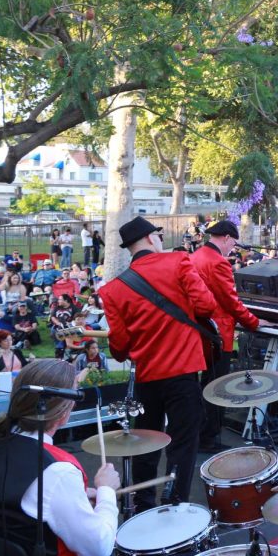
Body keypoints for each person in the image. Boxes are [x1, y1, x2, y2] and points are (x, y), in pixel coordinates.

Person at [0, 361, 191, 556]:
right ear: (64, 410)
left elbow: (14, 509)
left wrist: (76, 496)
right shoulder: (55, 470)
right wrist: (106, 491)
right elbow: (98, 549)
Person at [99, 216, 218, 512]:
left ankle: (144, 505)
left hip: (147, 377)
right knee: (183, 443)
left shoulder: (112, 290)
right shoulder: (178, 262)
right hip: (182, 373)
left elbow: (119, 348)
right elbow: (207, 306)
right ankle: (175, 504)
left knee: (145, 441)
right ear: (151, 238)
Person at [190, 220, 260, 449]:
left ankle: (200, 434)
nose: (233, 249)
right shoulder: (218, 262)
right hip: (218, 334)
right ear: (227, 237)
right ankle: (209, 438)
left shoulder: (196, 256)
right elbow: (230, 302)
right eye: (233, 243)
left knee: (204, 386)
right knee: (216, 388)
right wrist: (254, 322)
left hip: (201, 331)